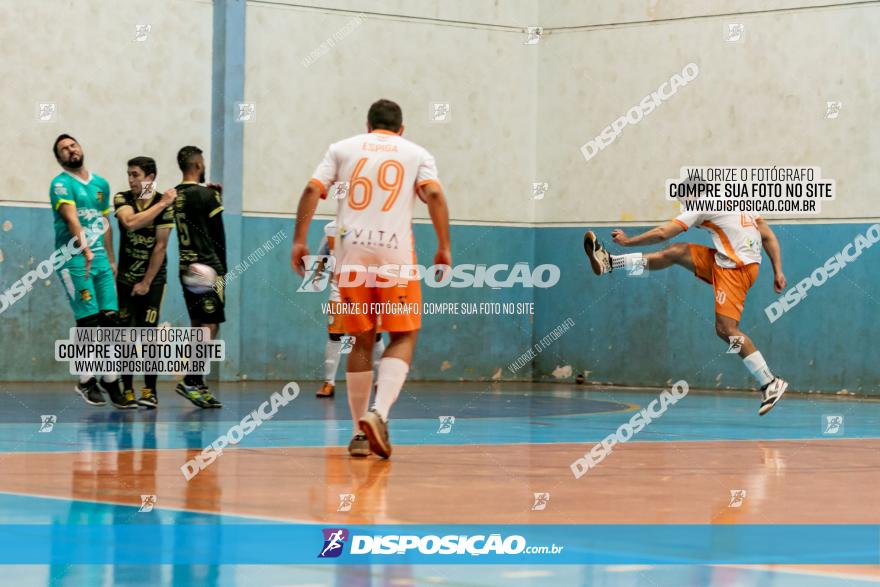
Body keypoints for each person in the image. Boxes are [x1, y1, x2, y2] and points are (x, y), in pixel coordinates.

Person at [292, 99, 451, 458]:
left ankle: (358, 435)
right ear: (401, 128)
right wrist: (444, 246)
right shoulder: (416, 153)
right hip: (395, 256)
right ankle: (379, 413)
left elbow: (310, 191)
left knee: (361, 341)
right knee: (404, 334)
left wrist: (299, 241)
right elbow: (435, 194)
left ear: (368, 126)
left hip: (352, 257)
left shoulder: (341, 148)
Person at [582, 209, 788, 415]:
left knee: (726, 329)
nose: (683, 206)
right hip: (728, 262)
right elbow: (768, 236)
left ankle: (770, 381)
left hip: (735, 270)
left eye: (684, 201)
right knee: (676, 252)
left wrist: (628, 241)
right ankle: (611, 262)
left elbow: (663, 232)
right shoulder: (737, 203)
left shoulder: (702, 204)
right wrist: (778, 270)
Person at [49, 134, 125, 407]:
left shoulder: (100, 184)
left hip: (102, 261)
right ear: (60, 159)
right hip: (74, 260)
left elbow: (105, 224)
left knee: (110, 321)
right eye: (64, 150)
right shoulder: (60, 184)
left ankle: (110, 379)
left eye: (73, 145)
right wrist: (86, 249)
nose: (70, 150)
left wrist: (111, 259)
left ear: (80, 148)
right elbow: (71, 218)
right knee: (90, 322)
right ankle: (85, 380)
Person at [113, 156, 177, 408]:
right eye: (129, 174)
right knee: (126, 335)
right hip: (125, 279)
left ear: (150, 177)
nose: (130, 180)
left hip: (153, 279)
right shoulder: (123, 198)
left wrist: (147, 282)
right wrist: (161, 203)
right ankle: (127, 389)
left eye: (135, 175)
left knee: (149, 336)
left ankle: (150, 390)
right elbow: (129, 223)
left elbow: (160, 246)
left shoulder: (167, 206)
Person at [173, 146, 225, 408]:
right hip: (207, 268)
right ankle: (191, 380)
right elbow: (218, 234)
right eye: (202, 162)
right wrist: (223, 271)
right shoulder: (207, 195)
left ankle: (198, 382)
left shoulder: (175, 195)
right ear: (197, 165)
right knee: (210, 326)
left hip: (185, 267)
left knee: (198, 324)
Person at [314, 220, 385, 399]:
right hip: (339, 288)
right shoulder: (330, 228)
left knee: (374, 335)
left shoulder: (373, 226)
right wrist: (318, 274)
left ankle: (380, 382)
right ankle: (329, 382)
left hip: (368, 287)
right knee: (335, 335)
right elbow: (323, 254)